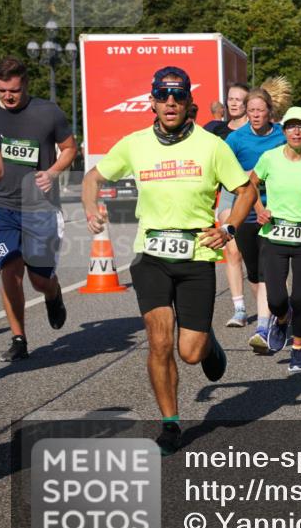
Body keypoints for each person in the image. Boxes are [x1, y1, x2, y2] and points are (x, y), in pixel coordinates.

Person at [81, 66, 256, 455]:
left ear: (189, 101)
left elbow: (246, 190)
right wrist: (91, 208)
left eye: (178, 96)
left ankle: (207, 344)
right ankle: (170, 424)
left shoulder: (211, 146)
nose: (171, 102)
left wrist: (229, 229)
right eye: (163, 95)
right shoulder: (135, 143)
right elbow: (92, 177)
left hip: (197, 256)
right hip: (151, 257)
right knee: (159, 342)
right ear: (153, 101)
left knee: (190, 352)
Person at [0, 57, 76, 362]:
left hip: (40, 209)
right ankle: (19, 339)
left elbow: (69, 148)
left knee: (39, 280)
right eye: (1, 90)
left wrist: (52, 173)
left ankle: (53, 293)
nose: (8, 96)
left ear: (25, 84)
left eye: (13, 90)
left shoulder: (48, 112)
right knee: (9, 270)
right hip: (1, 207)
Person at [250, 107, 301, 373]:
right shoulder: (270, 157)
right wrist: (259, 209)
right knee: (276, 300)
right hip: (273, 234)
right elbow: (250, 184)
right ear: (283, 131)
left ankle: (298, 349)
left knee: (299, 298)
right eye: (291, 127)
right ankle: (282, 319)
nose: (296, 132)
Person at [225, 88, 286, 350]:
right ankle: (270, 312)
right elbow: (224, 174)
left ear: (270, 111)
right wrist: (247, 176)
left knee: (269, 268)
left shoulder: (282, 135)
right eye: (251, 111)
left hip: (278, 209)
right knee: (253, 271)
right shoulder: (235, 139)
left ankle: (264, 324)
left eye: (260, 110)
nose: (256, 115)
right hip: (246, 210)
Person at [212, 83, 251, 328]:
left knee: (259, 256)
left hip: (256, 194)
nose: (234, 103)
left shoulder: (257, 128)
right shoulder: (216, 131)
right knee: (233, 250)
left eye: (239, 99)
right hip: (229, 193)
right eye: (230, 99)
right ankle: (239, 309)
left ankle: (272, 306)